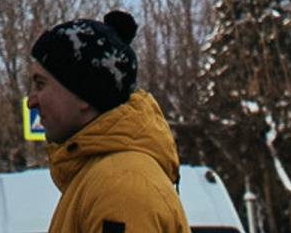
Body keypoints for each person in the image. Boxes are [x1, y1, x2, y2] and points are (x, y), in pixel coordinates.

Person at [27, 12, 188, 233]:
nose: (31, 101)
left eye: (40, 84)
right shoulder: (102, 176)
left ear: (83, 94)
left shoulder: (120, 185)